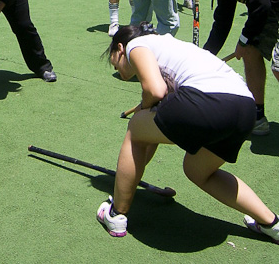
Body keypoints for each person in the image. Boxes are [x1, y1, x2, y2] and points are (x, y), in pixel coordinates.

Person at [96, 22, 279, 242]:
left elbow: (155, 90)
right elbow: (152, 129)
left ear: (120, 48)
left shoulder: (136, 44)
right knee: (198, 171)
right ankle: (271, 223)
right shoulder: (168, 46)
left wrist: (144, 108)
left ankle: (116, 213)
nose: (115, 67)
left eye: (113, 59)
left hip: (209, 100)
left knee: (135, 129)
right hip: (245, 110)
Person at [174, 0, 279, 135]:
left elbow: (260, 3)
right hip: (272, 4)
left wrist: (244, 38)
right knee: (251, 50)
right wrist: (204, 57)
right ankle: (257, 116)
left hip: (269, 4)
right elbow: (223, 17)